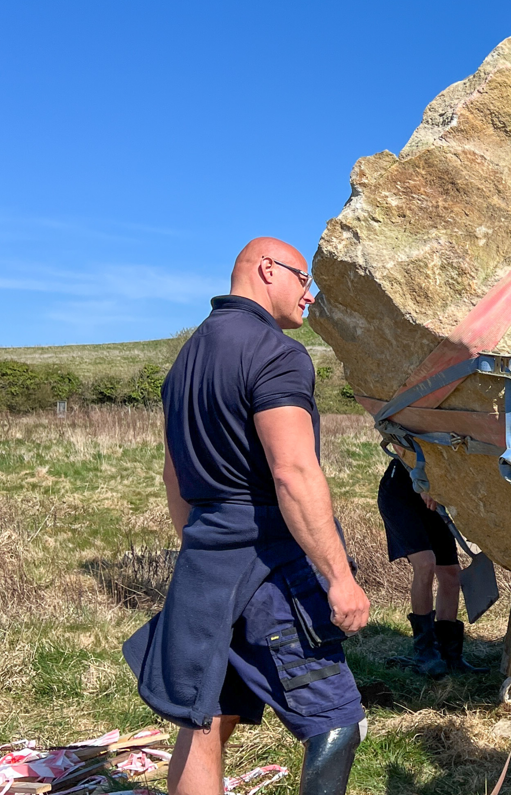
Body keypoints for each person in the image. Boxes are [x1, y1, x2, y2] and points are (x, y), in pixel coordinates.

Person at [123, 237, 371, 795]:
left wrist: (204, 545)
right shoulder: (276, 353)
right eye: (304, 280)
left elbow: (173, 478)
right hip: (269, 564)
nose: (310, 296)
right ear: (267, 270)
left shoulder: (186, 359)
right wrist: (339, 577)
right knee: (338, 723)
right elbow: (293, 474)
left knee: (205, 717)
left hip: (204, 565)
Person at [377, 458, 487, 677]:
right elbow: (400, 445)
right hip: (401, 495)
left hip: (437, 497)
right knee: (425, 563)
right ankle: (425, 653)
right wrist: (423, 482)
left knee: (451, 575)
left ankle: (449, 655)